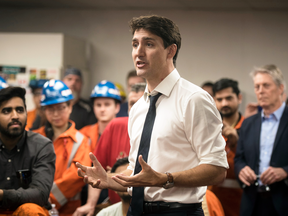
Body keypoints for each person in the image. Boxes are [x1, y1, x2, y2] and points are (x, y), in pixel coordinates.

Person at [76, 15, 228, 216]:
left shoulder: (194, 99)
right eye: (135, 44)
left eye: (149, 44)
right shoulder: (138, 107)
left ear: (170, 51)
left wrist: (165, 178)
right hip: (135, 210)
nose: (138, 52)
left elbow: (218, 169)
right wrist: (109, 180)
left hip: (178, 212)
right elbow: (135, 175)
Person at [73, 83, 146, 216]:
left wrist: (112, 174)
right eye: (132, 104)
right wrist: (90, 204)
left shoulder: (162, 133)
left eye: (141, 103)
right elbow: (97, 172)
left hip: (148, 207)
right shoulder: (115, 126)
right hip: (116, 206)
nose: (135, 108)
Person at [234, 64, 288, 216]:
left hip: (283, 200)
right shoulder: (248, 123)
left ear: (280, 88)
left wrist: (285, 171)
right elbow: (239, 159)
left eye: (266, 85)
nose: (260, 91)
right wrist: (241, 170)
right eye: (257, 86)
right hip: (252, 203)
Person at [33, 79, 91, 216]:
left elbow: (76, 176)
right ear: (44, 110)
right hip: (35, 208)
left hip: (69, 211)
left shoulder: (81, 140)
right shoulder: (34, 137)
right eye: (50, 109)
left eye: (60, 108)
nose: (56, 114)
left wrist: (46, 199)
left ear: (70, 107)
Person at [0, 86, 55, 215]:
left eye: (19, 110)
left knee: (31, 210)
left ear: (26, 112)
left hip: (25, 212)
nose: (15, 116)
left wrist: (2, 195)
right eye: (7, 111)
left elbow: (40, 194)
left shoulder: (42, 146)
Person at [209, 78, 244, 216]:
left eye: (229, 98)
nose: (224, 103)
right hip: (213, 202)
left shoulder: (250, 127)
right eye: (220, 99)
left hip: (241, 203)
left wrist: (237, 143)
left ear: (239, 98)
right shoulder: (209, 129)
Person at [80, 80, 121, 153]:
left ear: (117, 107)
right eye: (98, 105)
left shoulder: (127, 134)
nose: (102, 109)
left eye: (107, 104)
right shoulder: (83, 134)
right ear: (93, 108)